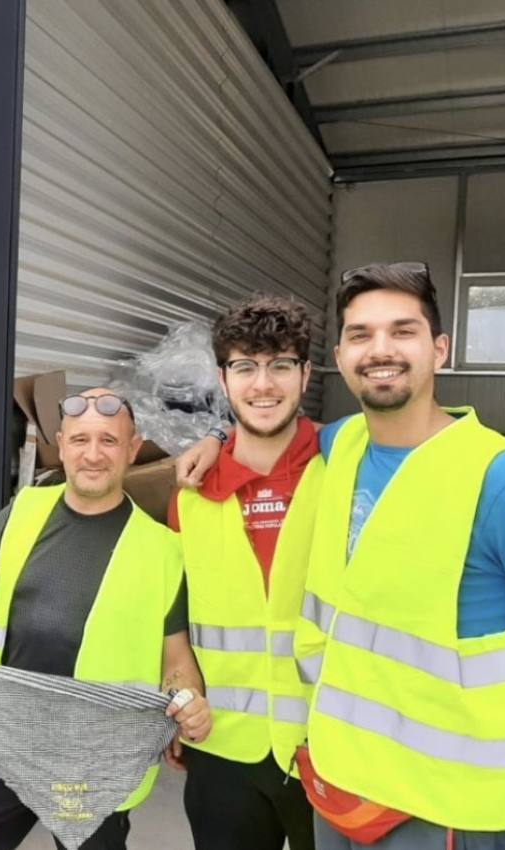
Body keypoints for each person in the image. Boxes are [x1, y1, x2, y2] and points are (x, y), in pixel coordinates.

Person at [175, 266, 505, 850]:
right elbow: (265, 433)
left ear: (439, 349)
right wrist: (213, 440)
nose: (381, 350)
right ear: (341, 357)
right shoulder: (342, 445)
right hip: (344, 790)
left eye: (403, 331)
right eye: (362, 335)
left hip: (454, 813)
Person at [0, 388, 212, 850]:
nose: (92, 454)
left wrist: (188, 700)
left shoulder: (162, 550)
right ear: (62, 445)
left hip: (96, 763)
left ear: (132, 448)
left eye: (108, 441)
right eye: (81, 440)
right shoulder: (21, 514)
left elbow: (176, 658)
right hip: (4, 744)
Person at [168, 294, 320, 850]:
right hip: (223, 753)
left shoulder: (350, 466)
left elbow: (431, 448)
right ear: (222, 378)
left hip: (328, 751)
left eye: (281, 364)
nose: (263, 385)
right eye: (245, 366)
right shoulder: (188, 494)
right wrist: (180, 698)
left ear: (305, 375)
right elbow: (173, 621)